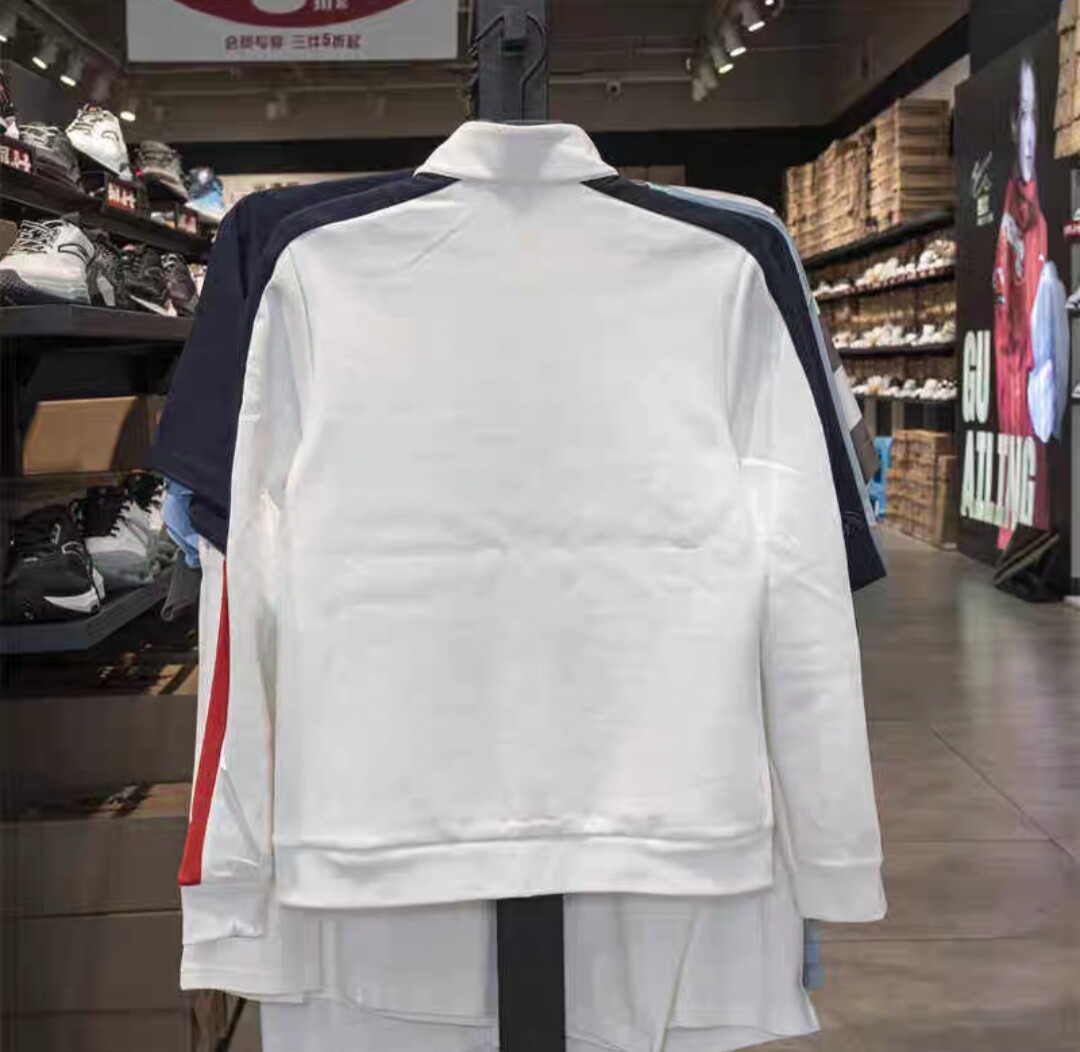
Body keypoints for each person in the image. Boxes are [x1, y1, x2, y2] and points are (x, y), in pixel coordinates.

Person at [993, 56, 1050, 547]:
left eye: (1037, 115)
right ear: (1013, 124)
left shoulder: (1037, 222)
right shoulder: (1011, 213)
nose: (1030, 132)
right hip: (1014, 411)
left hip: (1034, 410)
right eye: (1024, 115)